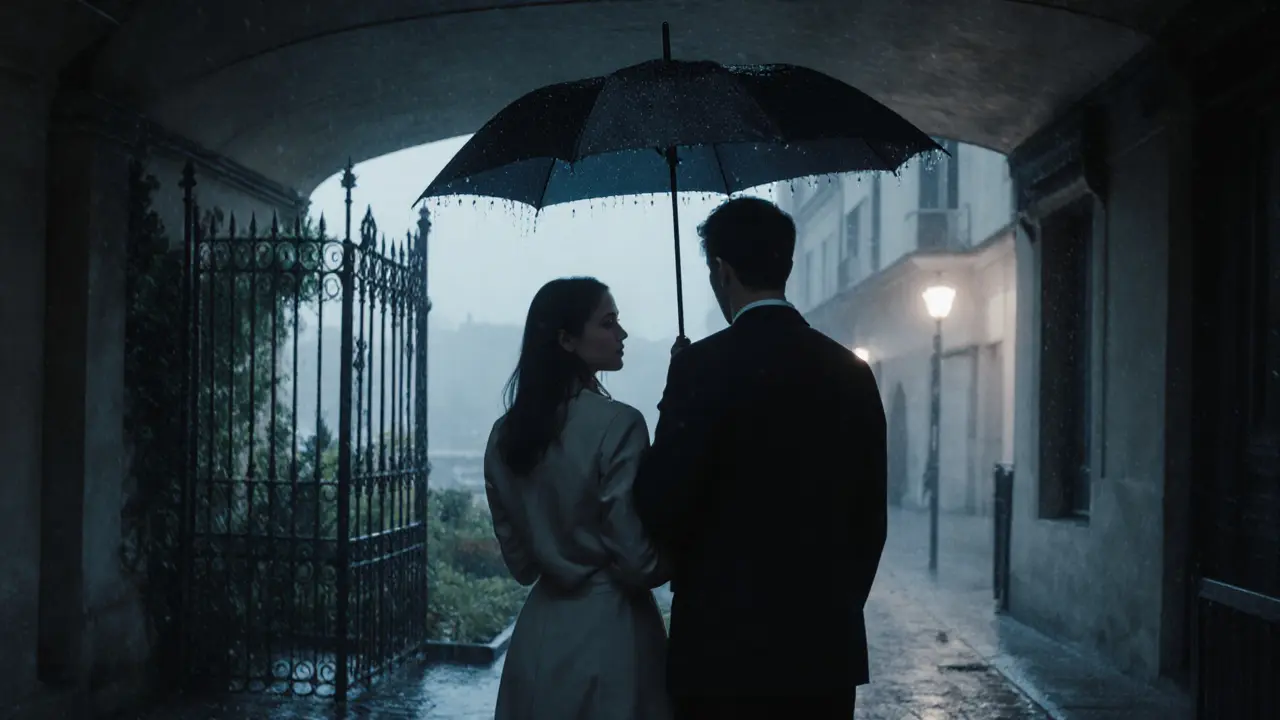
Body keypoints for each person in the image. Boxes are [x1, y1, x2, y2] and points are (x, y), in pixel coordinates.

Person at [633, 197, 888, 719]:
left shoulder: (699, 369)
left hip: (718, 652)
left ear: (722, 272)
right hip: (821, 653)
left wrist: (674, 394)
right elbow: (870, 522)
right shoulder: (851, 372)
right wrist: (831, 606)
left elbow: (660, 504)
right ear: (787, 264)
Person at [484, 276, 673, 720]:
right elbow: (637, 560)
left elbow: (521, 564)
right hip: (614, 637)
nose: (622, 333)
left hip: (539, 639)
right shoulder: (620, 424)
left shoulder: (504, 436)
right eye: (608, 323)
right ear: (567, 340)